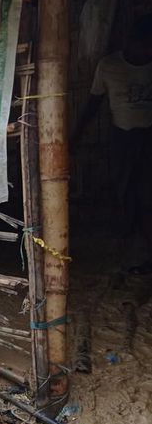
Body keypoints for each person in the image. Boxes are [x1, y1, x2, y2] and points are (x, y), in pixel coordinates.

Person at [73, 15, 152, 274]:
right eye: (141, 44)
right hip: (122, 137)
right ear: (130, 41)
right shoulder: (109, 66)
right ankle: (129, 243)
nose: (144, 51)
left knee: (144, 195)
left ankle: (141, 247)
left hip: (148, 137)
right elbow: (94, 103)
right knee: (124, 190)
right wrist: (75, 137)